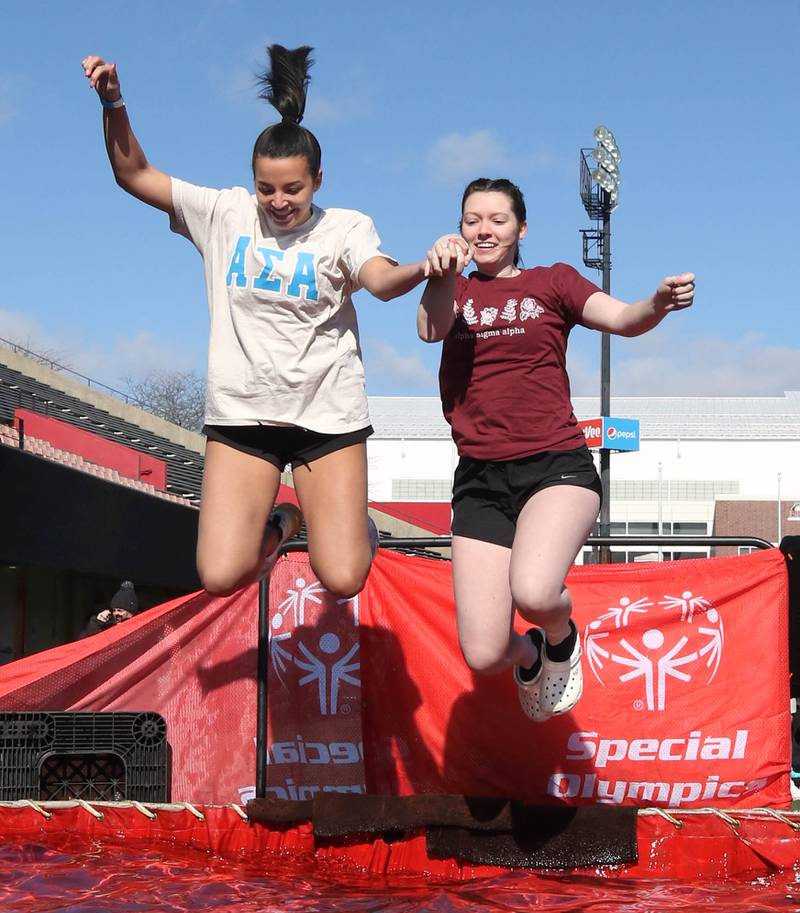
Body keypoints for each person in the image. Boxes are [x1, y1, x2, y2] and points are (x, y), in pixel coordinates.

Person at [81, 45, 428, 599]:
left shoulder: (344, 227)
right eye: (267, 188)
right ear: (252, 181)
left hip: (326, 415)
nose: (279, 201)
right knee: (219, 576)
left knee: (342, 578)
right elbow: (133, 173)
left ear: (318, 180)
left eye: (294, 189)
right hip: (244, 412)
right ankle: (287, 521)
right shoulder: (224, 213)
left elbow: (381, 280)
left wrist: (422, 268)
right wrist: (114, 104)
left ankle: (353, 533)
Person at [418, 177, 695, 720]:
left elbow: (622, 319)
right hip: (480, 477)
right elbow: (430, 330)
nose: (483, 230)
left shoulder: (553, 281)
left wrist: (656, 304)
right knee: (483, 651)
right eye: (472, 220)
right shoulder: (458, 289)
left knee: (537, 592)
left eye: (497, 220)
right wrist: (440, 277)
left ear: (521, 229)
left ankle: (562, 637)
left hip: (555, 466)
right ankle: (532, 654)